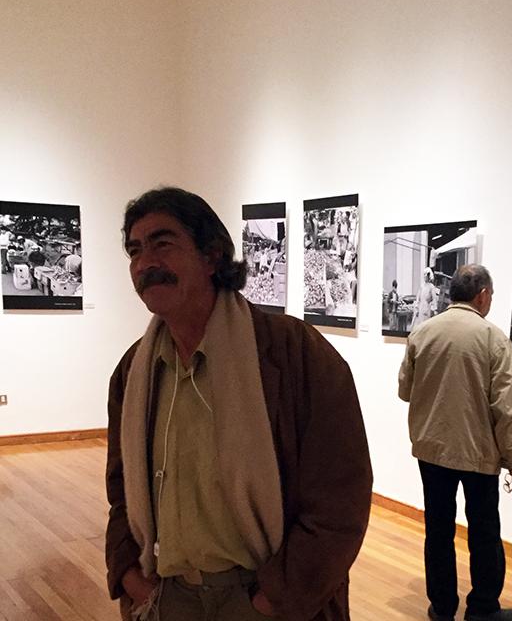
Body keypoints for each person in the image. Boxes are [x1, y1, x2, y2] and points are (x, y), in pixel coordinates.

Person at [105, 186, 372, 621]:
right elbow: (120, 492)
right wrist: (130, 577)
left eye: (163, 244)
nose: (145, 263)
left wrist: (270, 602)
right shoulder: (134, 371)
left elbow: (340, 500)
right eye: (135, 250)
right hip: (168, 596)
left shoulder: (294, 355)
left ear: (211, 256)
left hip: (262, 600)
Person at [398, 264, 512, 621]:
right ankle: (483, 609)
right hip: (478, 453)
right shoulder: (494, 339)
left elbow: (404, 391)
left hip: (431, 449)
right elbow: (505, 409)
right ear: (483, 295)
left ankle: (442, 608)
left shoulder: (423, 333)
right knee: (484, 531)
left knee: (437, 530)